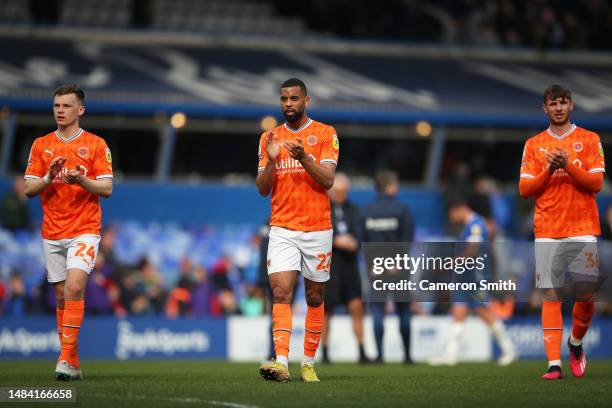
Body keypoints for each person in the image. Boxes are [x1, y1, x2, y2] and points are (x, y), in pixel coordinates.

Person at [24, 84, 113, 381]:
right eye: (56, 106)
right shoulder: (40, 145)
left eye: (66, 106)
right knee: (62, 298)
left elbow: (107, 187)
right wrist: (50, 175)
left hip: (84, 229)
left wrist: (82, 179)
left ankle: (63, 359)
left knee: (75, 287)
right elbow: (28, 189)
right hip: (52, 231)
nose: (60, 110)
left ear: (80, 110)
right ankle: (72, 363)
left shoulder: (97, 145)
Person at [519, 84, 605, 380]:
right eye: (553, 103)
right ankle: (553, 364)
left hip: (582, 228)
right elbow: (524, 189)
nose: (558, 107)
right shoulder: (533, 145)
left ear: (572, 105)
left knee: (587, 295)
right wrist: (548, 169)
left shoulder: (589, 139)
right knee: (550, 295)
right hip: (547, 229)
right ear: (544, 108)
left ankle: (576, 343)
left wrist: (568, 164)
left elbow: (595, 184)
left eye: (563, 102)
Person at [257, 78, 339, 383]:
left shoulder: (326, 133)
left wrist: (303, 156)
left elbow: (328, 180)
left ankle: (308, 363)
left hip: (318, 228)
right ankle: (281, 362)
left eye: (294, 98)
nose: (288, 104)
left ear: (306, 101)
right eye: (283, 99)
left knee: (315, 296)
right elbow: (262, 189)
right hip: (282, 227)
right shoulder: (269, 138)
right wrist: (271, 162)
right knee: (280, 292)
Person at [428, 198, 517, 366]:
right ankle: (451, 354)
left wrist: (448, 264)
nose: (451, 217)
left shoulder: (476, 224)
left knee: (484, 313)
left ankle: (509, 350)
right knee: (458, 313)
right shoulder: (470, 226)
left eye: (452, 213)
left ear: (460, 208)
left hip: (476, 277)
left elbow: (472, 250)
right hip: (465, 278)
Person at [361, 170, 414, 364]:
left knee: (377, 311)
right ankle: (407, 356)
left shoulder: (366, 211)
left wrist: (373, 266)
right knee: (404, 312)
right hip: (398, 268)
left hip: (376, 270)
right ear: (390, 186)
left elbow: (362, 243)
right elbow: (407, 242)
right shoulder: (403, 210)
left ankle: (380, 356)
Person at [321, 172, 369, 364]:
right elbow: (317, 232)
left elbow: (362, 233)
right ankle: (324, 352)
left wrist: (355, 242)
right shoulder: (322, 207)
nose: (342, 194)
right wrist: (336, 241)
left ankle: (362, 351)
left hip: (350, 266)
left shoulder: (355, 209)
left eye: (345, 191)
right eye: (339, 191)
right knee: (326, 311)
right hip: (329, 266)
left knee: (357, 306)